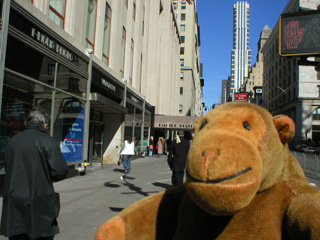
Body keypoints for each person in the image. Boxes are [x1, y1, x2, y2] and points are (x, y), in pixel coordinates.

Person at [0, 107, 68, 240]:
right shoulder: (47, 141)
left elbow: (8, 167)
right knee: (40, 235)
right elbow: (60, 170)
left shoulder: (13, 141)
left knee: (18, 234)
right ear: (44, 124)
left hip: (15, 198)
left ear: (27, 122)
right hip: (39, 200)